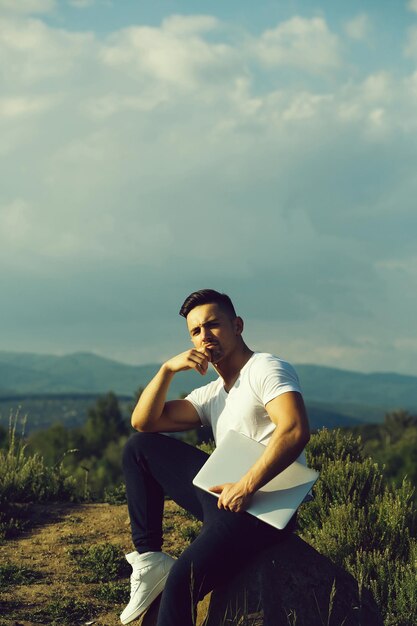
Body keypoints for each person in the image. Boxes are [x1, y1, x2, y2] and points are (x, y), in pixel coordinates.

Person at [121, 289, 310, 626]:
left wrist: (248, 485)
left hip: (263, 508)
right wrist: (167, 370)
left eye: (213, 325)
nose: (205, 337)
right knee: (140, 447)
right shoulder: (212, 393)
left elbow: (294, 430)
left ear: (237, 325)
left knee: (182, 581)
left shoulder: (265, 368)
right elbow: (144, 421)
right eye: (196, 331)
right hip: (225, 499)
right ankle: (150, 559)